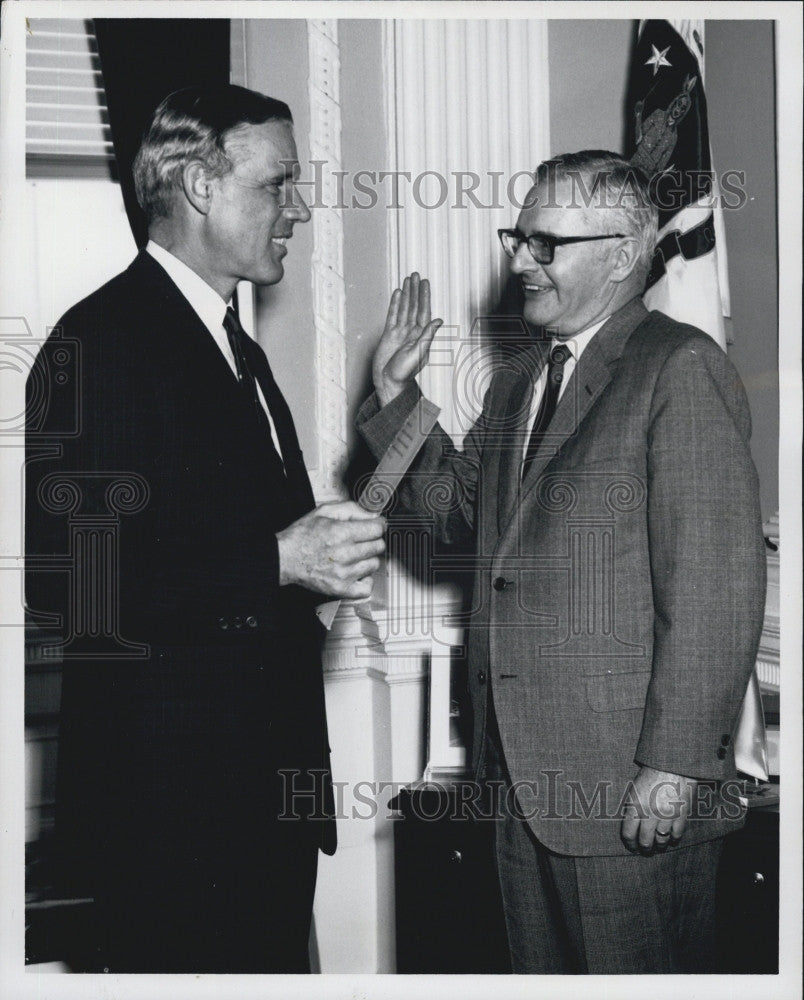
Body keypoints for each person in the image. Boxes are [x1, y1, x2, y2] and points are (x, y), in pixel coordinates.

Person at [357, 151, 766, 974]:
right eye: (519, 238)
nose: (518, 261)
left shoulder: (680, 369)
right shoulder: (517, 385)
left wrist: (674, 764)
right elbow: (453, 519)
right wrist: (396, 396)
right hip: (522, 787)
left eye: (546, 244)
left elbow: (715, 587)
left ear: (622, 255)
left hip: (630, 791)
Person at [25, 84, 386, 973]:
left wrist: (313, 564)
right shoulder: (101, 341)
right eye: (278, 184)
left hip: (257, 805)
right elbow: (73, 581)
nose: (296, 208)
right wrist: (275, 558)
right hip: (171, 819)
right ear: (198, 184)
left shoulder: (236, 345)